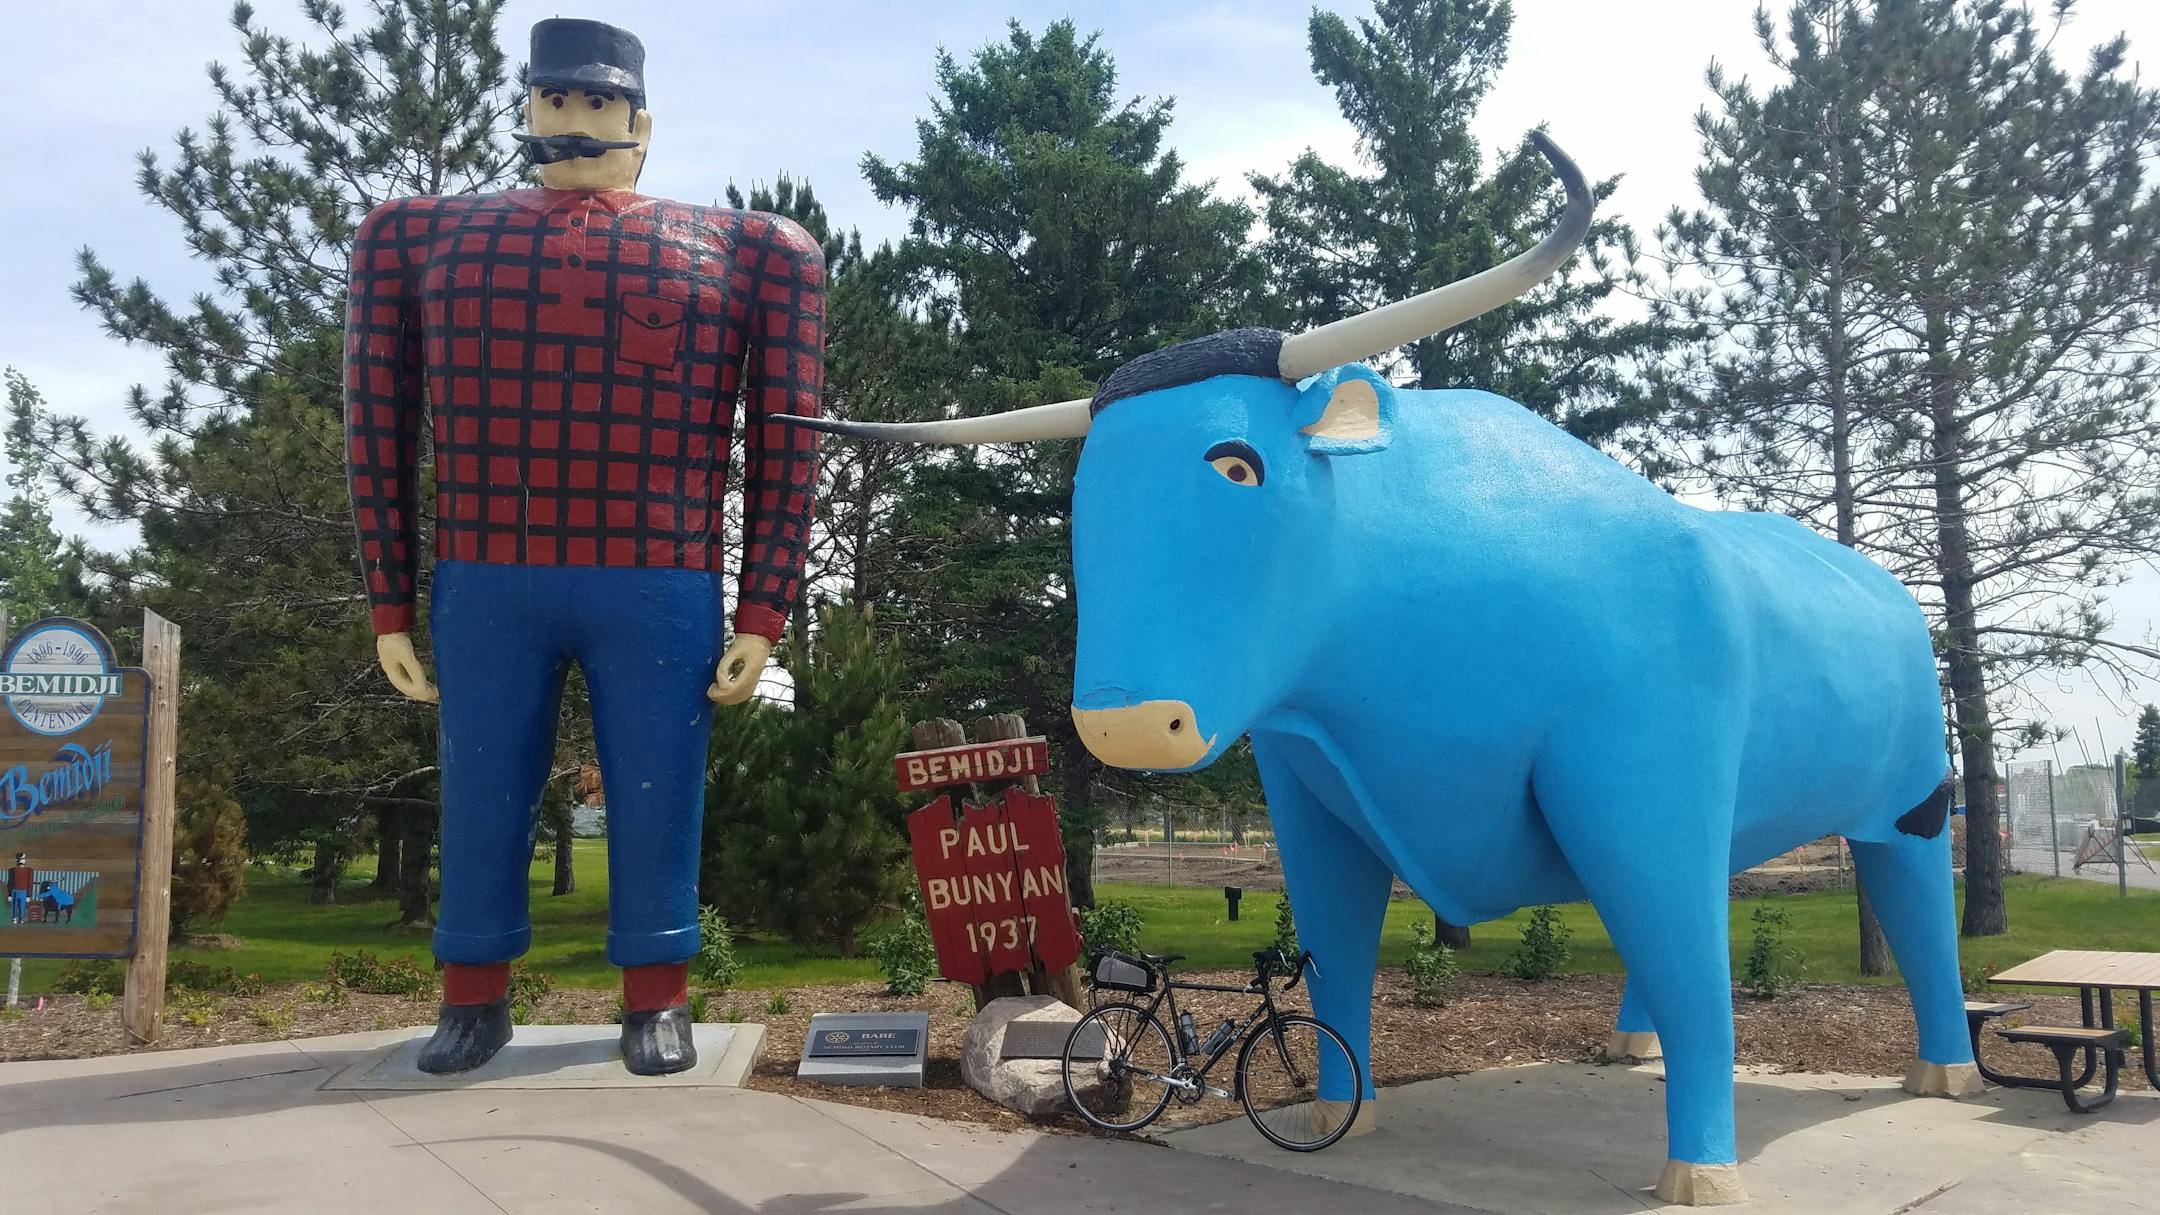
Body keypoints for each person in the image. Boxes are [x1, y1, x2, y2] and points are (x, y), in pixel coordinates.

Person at [345, 17, 822, 1076]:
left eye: (599, 105)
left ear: (641, 122)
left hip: (657, 572)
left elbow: (788, 437)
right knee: (480, 786)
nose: (575, 123)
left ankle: (657, 992)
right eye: (557, 102)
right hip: (487, 566)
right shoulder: (414, 238)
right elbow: (376, 419)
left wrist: (762, 609)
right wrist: (389, 599)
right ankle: (472, 992)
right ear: (528, 108)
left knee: (659, 784)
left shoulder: (749, 252)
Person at [7, 853, 32, 925]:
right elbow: (10, 882)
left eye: (24, 859)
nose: (23, 860)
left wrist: (28, 895)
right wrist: (9, 894)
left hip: (24, 891)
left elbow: (29, 883)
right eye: (22, 859)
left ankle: (21, 918)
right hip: (14, 891)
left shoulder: (29, 870)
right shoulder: (12, 870)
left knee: (22, 906)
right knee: (14, 905)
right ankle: (14, 918)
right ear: (17, 860)